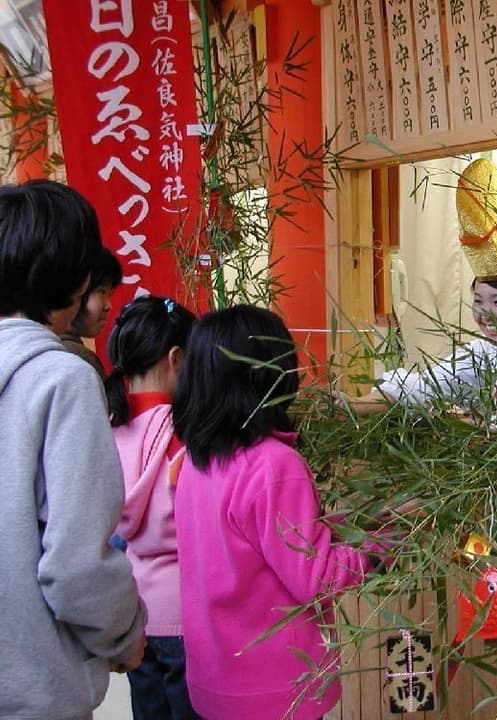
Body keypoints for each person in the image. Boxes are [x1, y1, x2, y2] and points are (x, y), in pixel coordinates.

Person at [172, 304, 397, 719]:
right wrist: (381, 547)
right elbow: (317, 577)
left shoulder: (198, 459)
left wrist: (354, 523)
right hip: (278, 689)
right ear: (270, 375)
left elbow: (256, 545)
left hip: (218, 678)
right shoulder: (275, 465)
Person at [0, 179, 146, 719]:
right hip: (34, 689)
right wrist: (125, 635)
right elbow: (75, 564)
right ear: (77, 276)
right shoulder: (60, 378)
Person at [349, 158, 497, 418]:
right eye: (478, 301)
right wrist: (351, 406)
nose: (484, 314)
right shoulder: (485, 353)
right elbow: (421, 387)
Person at [105, 296, 199, 719]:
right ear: (177, 358)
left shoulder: (108, 426)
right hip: (187, 611)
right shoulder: (185, 431)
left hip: (137, 613)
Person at [61, 245, 122, 380]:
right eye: (101, 291)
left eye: (109, 294)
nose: (108, 306)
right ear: (77, 291)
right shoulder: (77, 358)